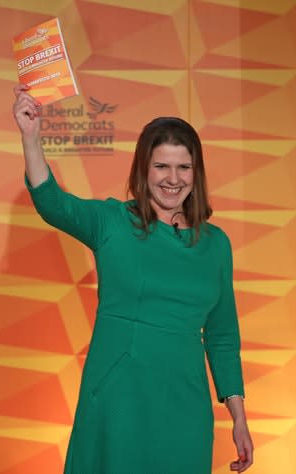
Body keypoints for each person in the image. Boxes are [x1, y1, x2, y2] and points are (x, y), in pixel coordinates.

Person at [13, 84, 254, 473]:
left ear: (197, 173)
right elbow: (52, 202)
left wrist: (239, 416)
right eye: (161, 166)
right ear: (144, 170)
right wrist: (31, 137)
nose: (172, 179)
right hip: (119, 399)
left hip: (185, 405)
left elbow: (223, 336)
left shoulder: (216, 244)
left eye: (183, 167)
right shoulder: (113, 222)